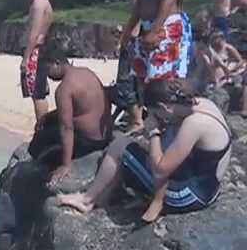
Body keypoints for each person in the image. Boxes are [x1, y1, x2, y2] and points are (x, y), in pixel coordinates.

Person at [58, 79, 231, 223]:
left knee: (120, 146)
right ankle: (102, 198)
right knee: (136, 150)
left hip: (190, 195)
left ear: (164, 107)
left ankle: (87, 200)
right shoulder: (202, 104)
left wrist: (153, 132)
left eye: (156, 114)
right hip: (208, 188)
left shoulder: (194, 124)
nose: (157, 118)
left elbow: (159, 171)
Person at [29, 46, 112, 185]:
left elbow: (66, 127)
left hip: (89, 142)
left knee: (39, 141)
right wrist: (48, 116)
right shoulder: (87, 73)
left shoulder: (64, 89)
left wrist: (66, 165)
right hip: (104, 136)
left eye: (48, 69)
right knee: (49, 122)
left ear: (56, 63)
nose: (48, 75)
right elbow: (85, 106)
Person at [19, 0, 54, 122]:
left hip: (35, 51)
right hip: (39, 50)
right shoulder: (42, 2)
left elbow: (34, 32)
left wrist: (26, 59)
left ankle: (41, 126)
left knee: (36, 92)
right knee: (38, 91)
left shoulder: (39, 4)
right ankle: (42, 125)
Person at [116, 0, 144, 134]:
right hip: (143, 42)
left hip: (134, 41)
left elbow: (136, 20)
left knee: (125, 81)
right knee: (138, 81)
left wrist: (125, 40)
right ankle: (137, 118)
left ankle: (137, 119)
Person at [209, 32, 247, 115]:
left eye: (218, 39)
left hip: (228, 73)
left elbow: (241, 61)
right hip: (216, 76)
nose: (216, 42)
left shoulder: (228, 47)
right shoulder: (211, 49)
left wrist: (232, 69)